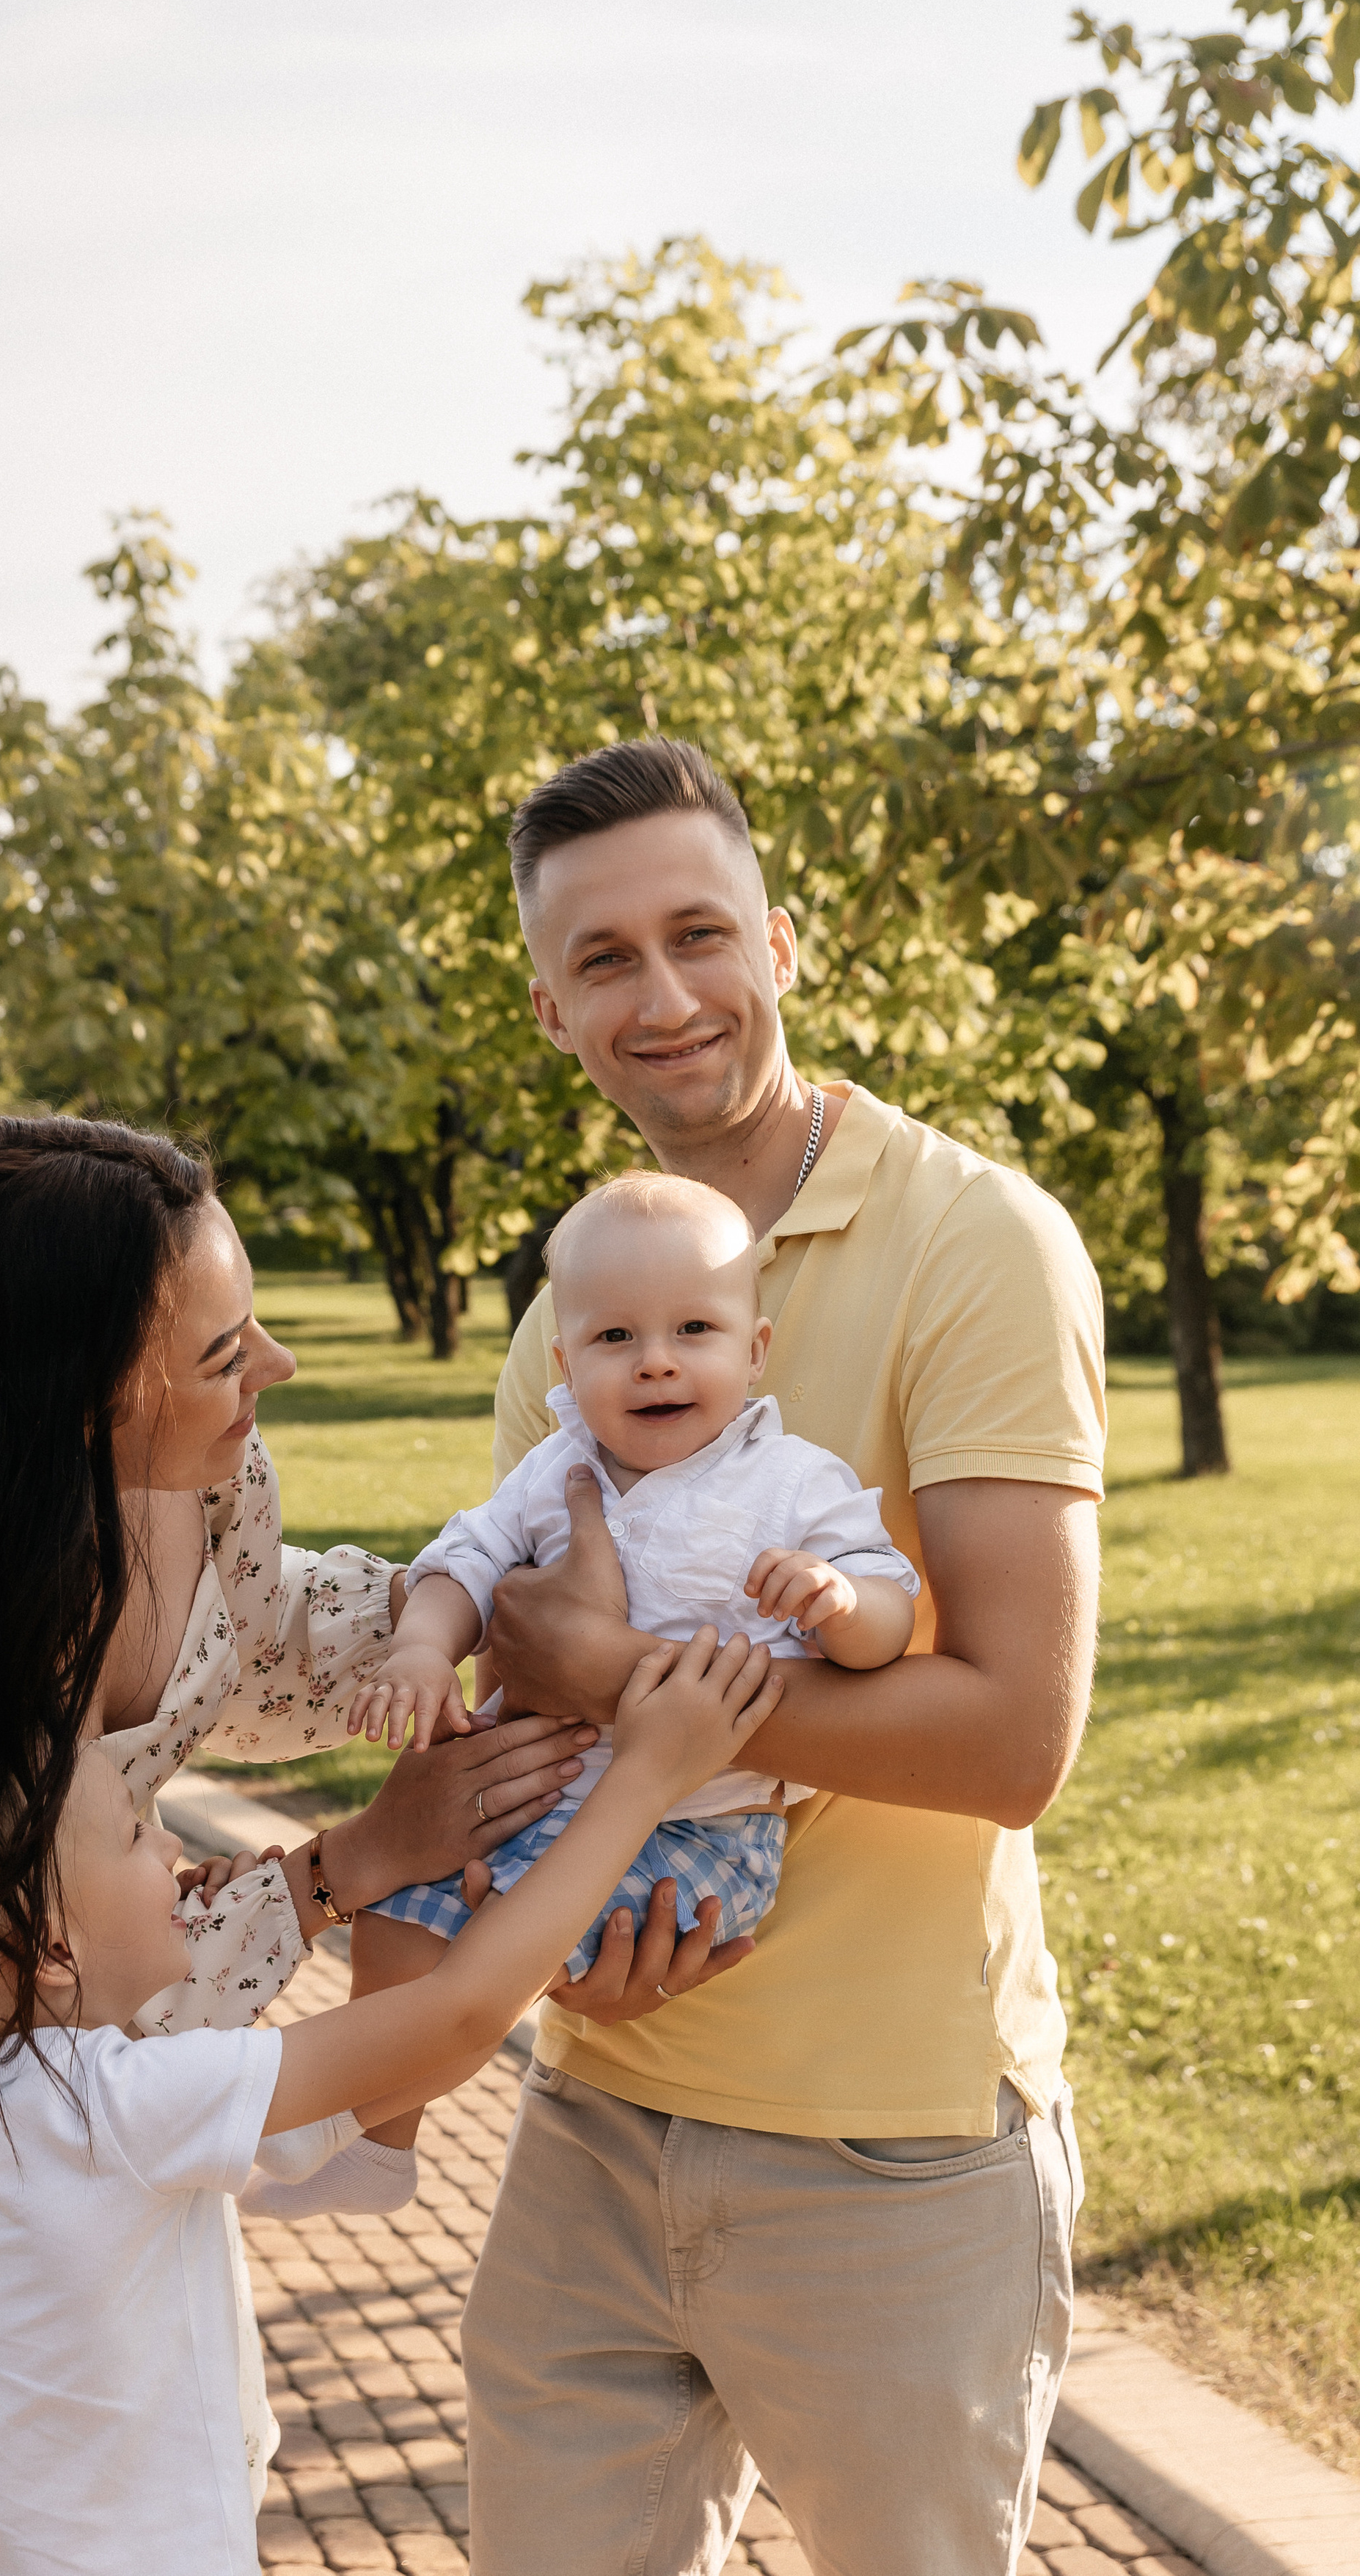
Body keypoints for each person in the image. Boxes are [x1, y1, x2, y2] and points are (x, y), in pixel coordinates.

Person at [0, 1115, 597, 2576]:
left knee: (151, 2427)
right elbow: (30, 1972)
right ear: (94, 1392)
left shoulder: (210, 1486)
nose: (276, 1371)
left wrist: (477, 1602)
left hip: (90, 1997)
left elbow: (274, 1633)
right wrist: (340, 1868)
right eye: (227, 1353)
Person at [457, 737, 1105, 2576]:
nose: (661, 997)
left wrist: (613, 1690)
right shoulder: (575, 1313)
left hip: (887, 2147)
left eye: (697, 934)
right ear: (550, 1010)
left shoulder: (973, 1242)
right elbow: (515, 1654)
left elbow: (1008, 1739)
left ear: (782, 943)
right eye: (601, 961)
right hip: (594, 2099)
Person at [0, 1628, 777, 2576]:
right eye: (140, 1837)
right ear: (50, 1949)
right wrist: (642, 1781)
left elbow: (358, 2080)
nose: (174, 1847)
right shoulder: (110, 2109)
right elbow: (456, 2016)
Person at [327, 1170, 915, 2187]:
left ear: (754, 1350)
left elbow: (888, 1614)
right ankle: (372, 2145)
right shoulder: (561, 1468)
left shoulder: (790, 1481)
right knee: (394, 1913)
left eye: (694, 1330)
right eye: (615, 1340)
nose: (655, 1364)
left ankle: (338, 2109)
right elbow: (465, 1560)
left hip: (704, 1832)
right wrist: (425, 1646)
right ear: (565, 1358)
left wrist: (837, 1600)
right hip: (543, 1800)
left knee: (492, 1953)